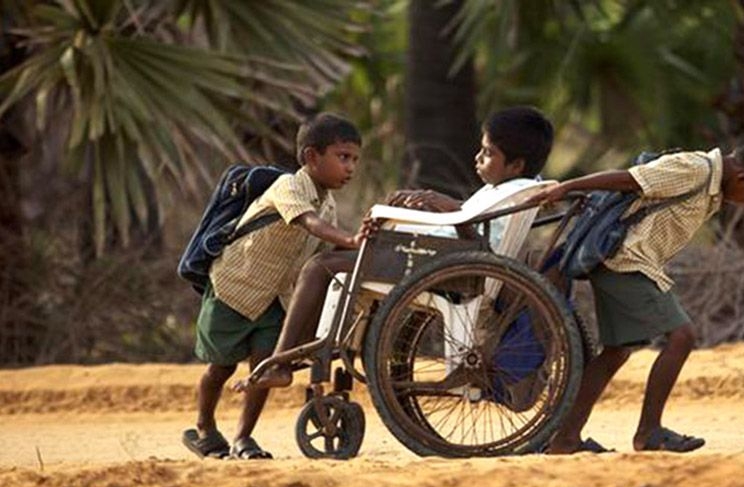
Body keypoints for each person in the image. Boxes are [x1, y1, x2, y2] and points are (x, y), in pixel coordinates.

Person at [255, 105, 555, 389]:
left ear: (516, 165)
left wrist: (446, 207)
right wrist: (435, 203)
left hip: (445, 267)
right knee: (335, 259)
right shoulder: (511, 189)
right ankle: (315, 346)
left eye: (488, 153)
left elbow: (480, 244)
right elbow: (478, 224)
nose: (477, 158)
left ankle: (281, 360)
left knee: (319, 267)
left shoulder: (509, 191)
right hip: (442, 261)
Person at [530, 138, 744, 454]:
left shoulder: (712, 186)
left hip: (629, 263)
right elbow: (630, 179)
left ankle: (565, 440)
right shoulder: (695, 169)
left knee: (618, 351)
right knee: (681, 337)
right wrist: (567, 187)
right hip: (625, 261)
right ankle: (649, 432)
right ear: (743, 179)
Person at [182, 113, 366, 460]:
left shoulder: (328, 204)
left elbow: (327, 250)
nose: (350, 168)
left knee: (264, 367)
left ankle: (243, 439)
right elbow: (307, 223)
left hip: (275, 297)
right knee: (219, 367)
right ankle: (205, 427)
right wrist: (351, 239)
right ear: (312, 157)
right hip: (233, 288)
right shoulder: (288, 188)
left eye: (355, 159)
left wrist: (367, 240)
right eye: (343, 157)